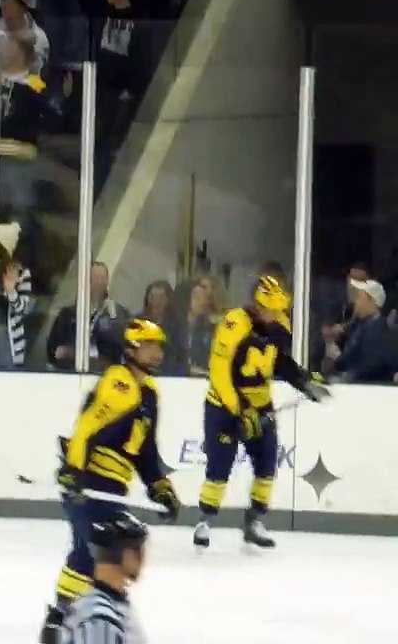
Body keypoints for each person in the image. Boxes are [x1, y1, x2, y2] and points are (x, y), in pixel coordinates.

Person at [40, 319, 181, 644]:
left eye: (159, 346)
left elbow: (145, 449)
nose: (157, 352)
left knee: (104, 553)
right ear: (132, 349)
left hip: (112, 488)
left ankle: (77, 615)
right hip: (89, 481)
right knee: (90, 550)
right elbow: (86, 429)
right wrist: (74, 471)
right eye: (150, 346)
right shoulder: (119, 383)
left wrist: (160, 487)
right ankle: (59, 619)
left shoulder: (149, 393)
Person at [193, 276, 330, 551]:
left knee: (267, 464)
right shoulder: (234, 324)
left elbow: (279, 361)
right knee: (219, 467)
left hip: (261, 405)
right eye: (271, 309)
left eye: (279, 309)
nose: (277, 314)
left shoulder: (278, 324)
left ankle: (254, 521)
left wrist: (303, 381)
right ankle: (205, 522)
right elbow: (219, 373)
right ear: (257, 306)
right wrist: (239, 411)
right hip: (224, 406)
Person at [60, 512, 151, 644]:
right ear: (128, 555)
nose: (144, 561)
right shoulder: (101, 620)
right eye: (140, 552)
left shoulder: (102, 606)